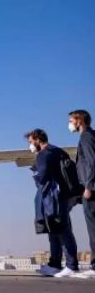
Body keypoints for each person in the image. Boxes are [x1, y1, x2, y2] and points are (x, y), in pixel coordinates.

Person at [27, 129, 79, 277]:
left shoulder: (44, 154)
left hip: (53, 197)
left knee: (61, 230)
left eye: (31, 142)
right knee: (55, 230)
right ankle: (55, 264)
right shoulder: (58, 151)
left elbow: (41, 177)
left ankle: (71, 265)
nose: (30, 146)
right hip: (63, 195)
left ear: (37, 139)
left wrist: (35, 173)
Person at [69, 109, 95, 279]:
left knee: (93, 227)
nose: (70, 124)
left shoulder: (87, 137)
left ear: (79, 121)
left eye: (71, 120)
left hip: (91, 190)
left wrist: (89, 186)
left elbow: (93, 161)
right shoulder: (89, 136)